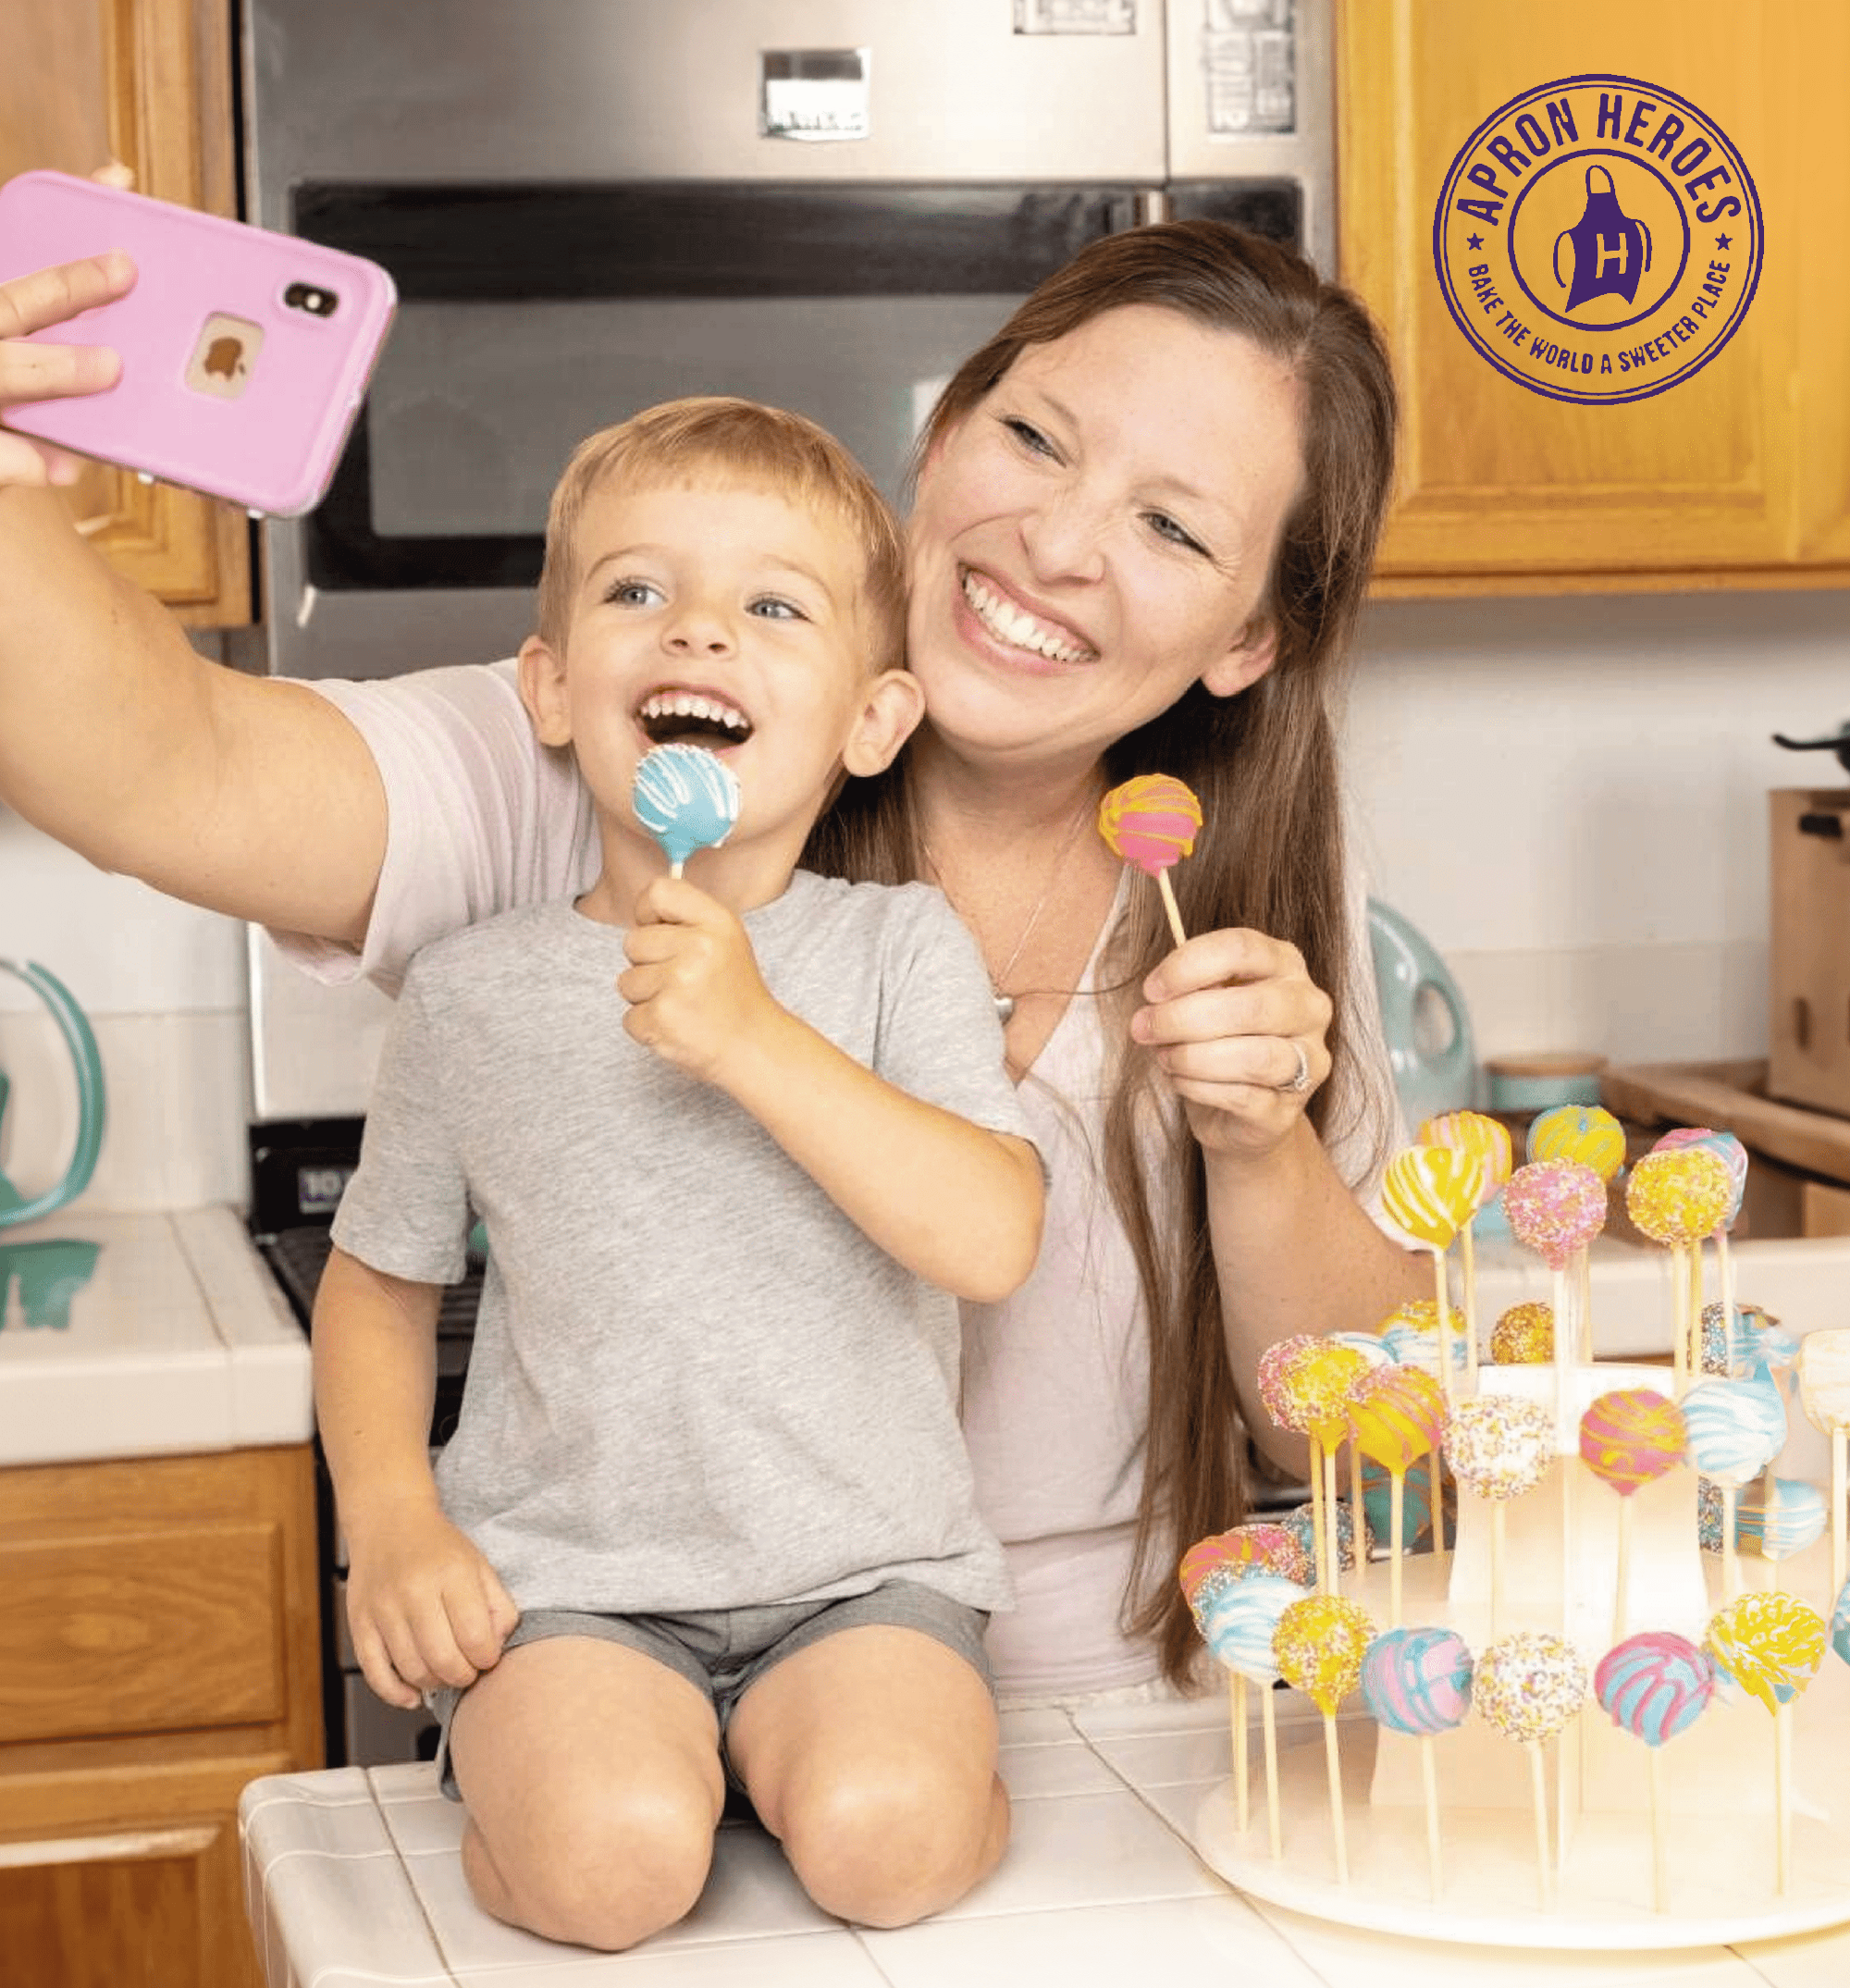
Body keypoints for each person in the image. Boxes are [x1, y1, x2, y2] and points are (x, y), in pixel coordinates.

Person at [0, 215, 1426, 1733]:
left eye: (1172, 528)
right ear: (940, 439)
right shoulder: (628, 739)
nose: (1060, 545)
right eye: (1035, 439)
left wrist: (1259, 1145)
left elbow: (1368, 1436)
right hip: (632, 1695)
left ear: (1249, 639)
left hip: (1133, 1718)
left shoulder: (1226, 889)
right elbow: (168, 773)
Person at [314, 396, 1043, 1948]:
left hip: (864, 1576)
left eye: (772, 608)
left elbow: (990, 1237)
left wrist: (755, 1040)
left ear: (872, 722)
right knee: (610, 1870)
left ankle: (832, 1773)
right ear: (555, 689)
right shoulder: (471, 990)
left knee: (884, 1843)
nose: (699, 633)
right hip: (569, 1587)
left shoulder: (898, 945)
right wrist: (392, 1522)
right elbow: (378, 1288)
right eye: (639, 592)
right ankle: (586, 1778)